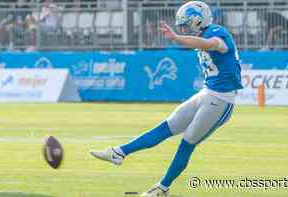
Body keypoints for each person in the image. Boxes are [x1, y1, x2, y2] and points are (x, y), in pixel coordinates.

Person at [90, 1, 243, 197]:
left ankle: (162, 188)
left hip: (221, 100)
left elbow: (210, 45)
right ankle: (119, 153)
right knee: (167, 126)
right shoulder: (204, 33)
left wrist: (177, 37)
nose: (186, 27)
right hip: (207, 92)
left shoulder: (217, 32)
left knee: (187, 142)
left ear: (197, 20)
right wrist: (180, 37)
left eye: (187, 23)